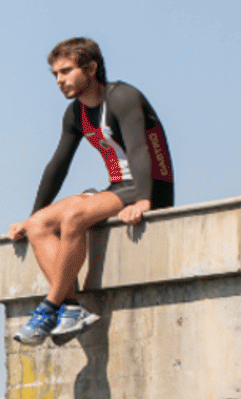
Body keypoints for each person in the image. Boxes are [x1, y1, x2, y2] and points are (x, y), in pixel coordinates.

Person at [10, 37, 175, 344]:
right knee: (38, 226)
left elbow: (140, 150)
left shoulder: (123, 97)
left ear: (91, 68)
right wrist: (33, 213)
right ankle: (71, 306)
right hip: (117, 187)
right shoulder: (75, 114)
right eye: (55, 74)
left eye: (66, 71)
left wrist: (144, 200)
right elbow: (57, 165)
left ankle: (50, 306)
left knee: (74, 216)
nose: (59, 80)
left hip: (147, 185)